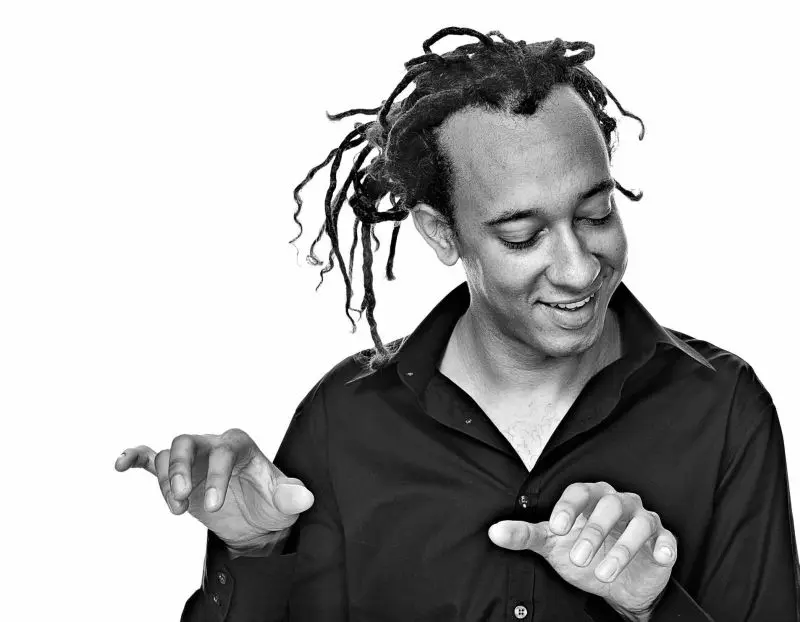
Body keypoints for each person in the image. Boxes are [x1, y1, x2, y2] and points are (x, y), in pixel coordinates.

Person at [115, 27, 800, 621]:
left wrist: (653, 606)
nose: (578, 268)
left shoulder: (722, 409)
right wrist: (255, 551)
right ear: (442, 234)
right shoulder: (344, 424)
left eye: (596, 214)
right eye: (523, 236)